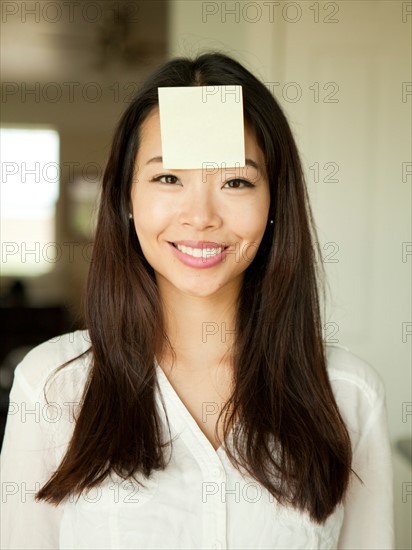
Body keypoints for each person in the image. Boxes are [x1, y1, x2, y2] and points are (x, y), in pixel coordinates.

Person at [0, 52, 394, 550]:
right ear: (125, 197)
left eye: (235, 182)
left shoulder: (349, 395)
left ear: (275, 202)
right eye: (169, 178)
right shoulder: (54, 387)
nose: (201, 216)